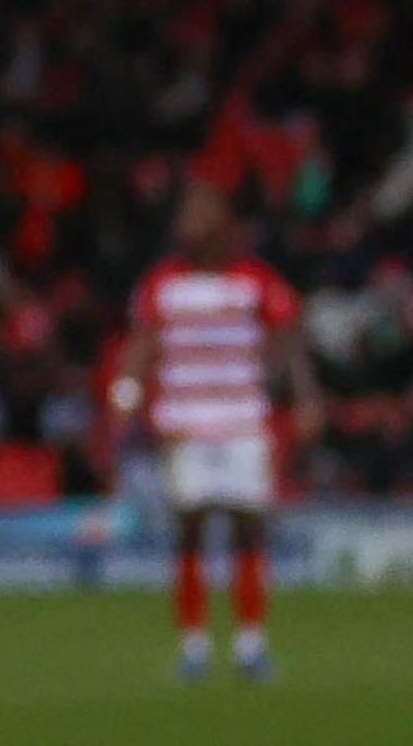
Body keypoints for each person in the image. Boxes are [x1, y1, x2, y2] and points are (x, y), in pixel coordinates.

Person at [117, 183, 318, 684]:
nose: (186, 225)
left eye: (198, 213)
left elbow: (289, 337)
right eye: (184, 215)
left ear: (222, 224)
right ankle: (194, 646)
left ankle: (251, 644)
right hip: (184, 422)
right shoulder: (162, 284)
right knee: (190, 529)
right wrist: (125, 394)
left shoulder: (253, 280)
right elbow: (141, 344)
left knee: (249, 526)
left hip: (242, 420)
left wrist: (305, 396)